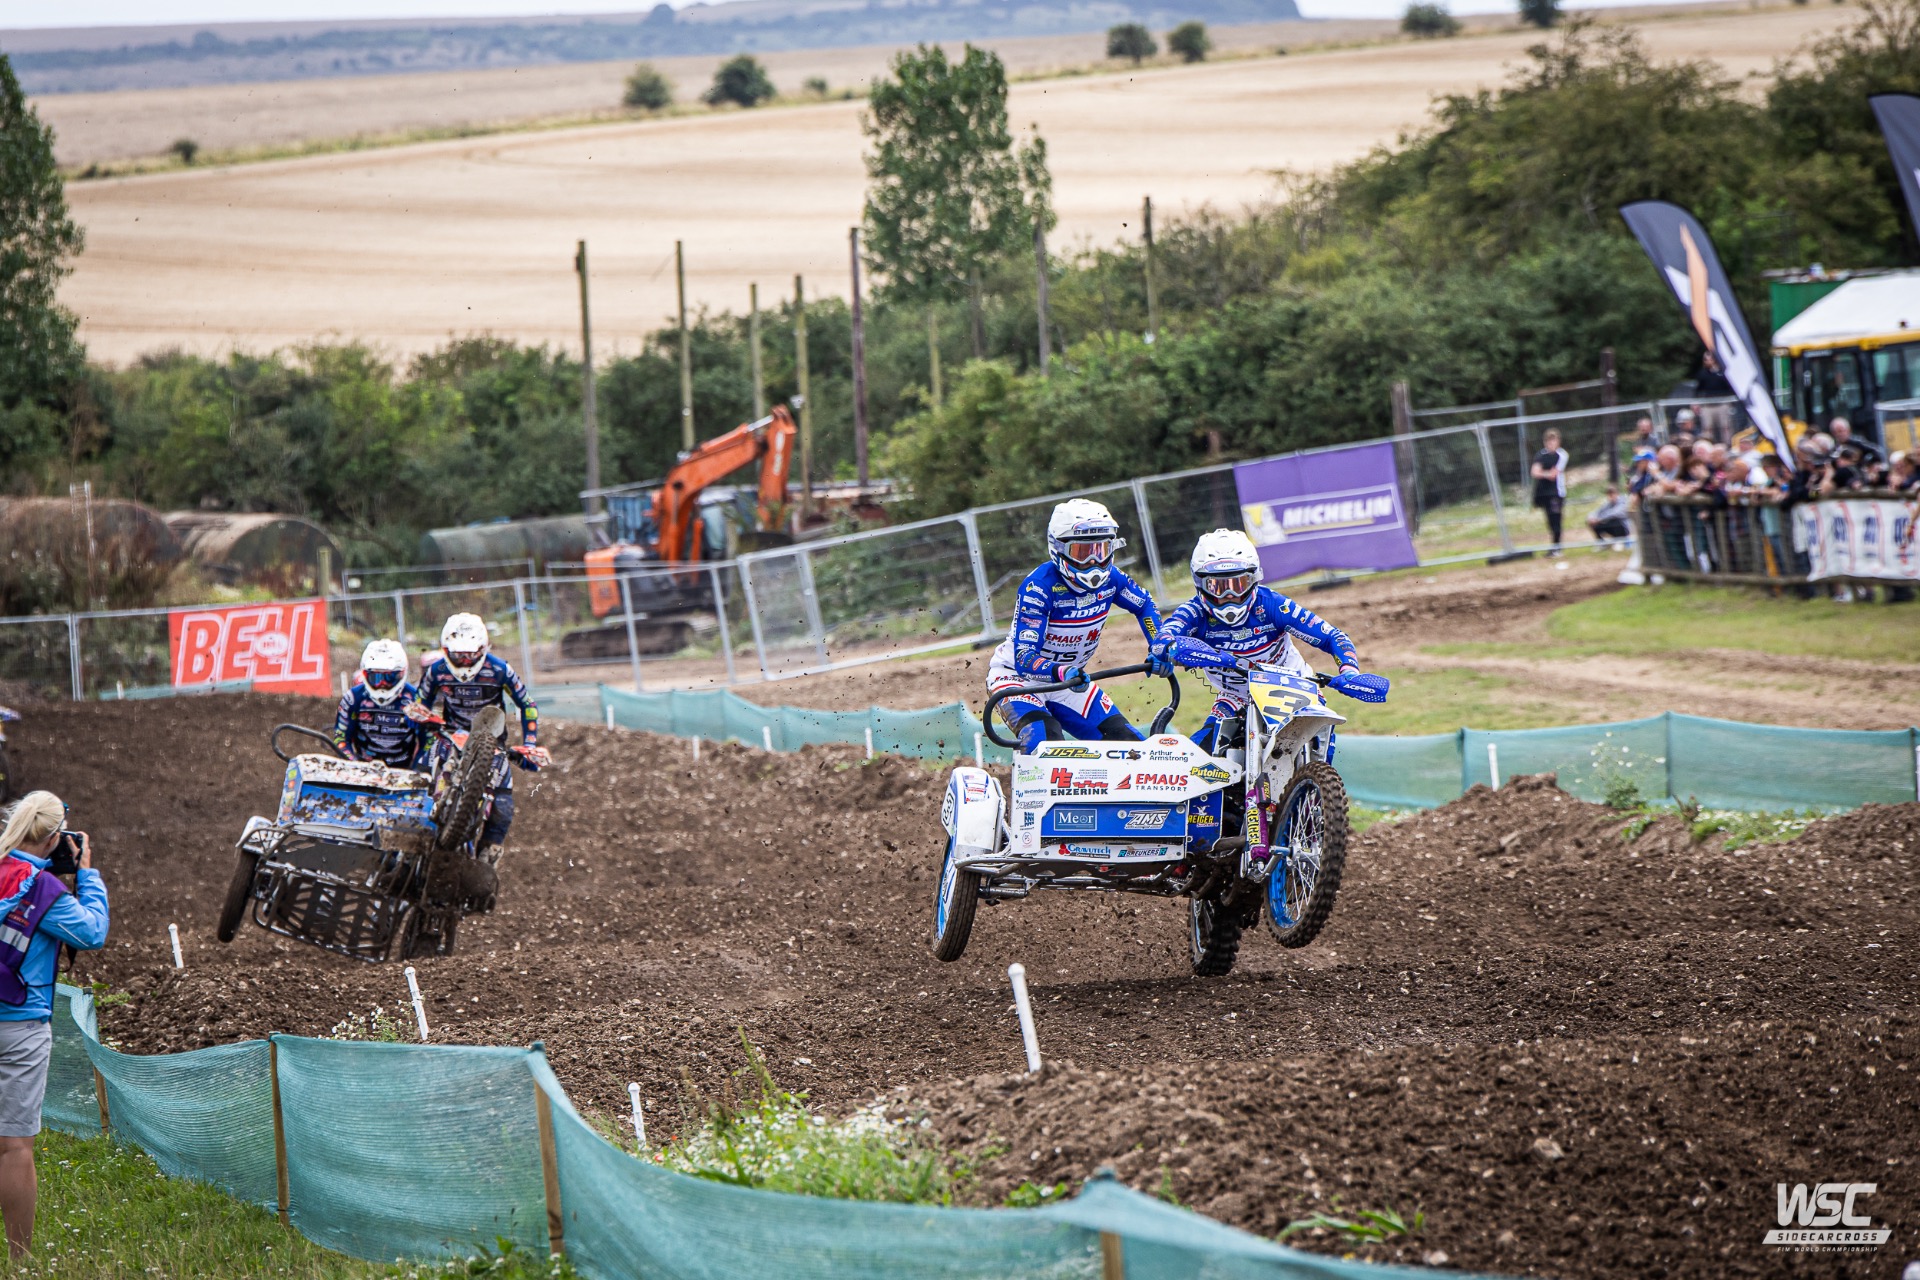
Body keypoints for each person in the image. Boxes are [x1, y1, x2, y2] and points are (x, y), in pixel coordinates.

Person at [0, 793, 108, 1260]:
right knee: (14, 1146)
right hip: (21, 1025)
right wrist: (87, 874)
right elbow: (93, 933)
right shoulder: (44, 892)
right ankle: (19, 1259)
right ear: (53, 839)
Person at [987, 499, 1170, 753]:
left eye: (1102, 550)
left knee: (1129, 746)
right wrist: (1062, 672)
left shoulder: (1113, 580)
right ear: (1058, 549)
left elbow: (1145, 604)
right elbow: (1024, 658)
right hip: (1018, 679)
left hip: (1069, 681)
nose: (1094, 562)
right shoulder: (1039, 587)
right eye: (1083, 553)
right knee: (1045, 739)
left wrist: (1158, 644)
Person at [1161, 529, 1360, 755]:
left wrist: (1349, 670)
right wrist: (1167, 651)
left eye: (1238, 584)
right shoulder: (1193, 612)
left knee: (1320, 747)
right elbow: (1165, 636)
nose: (1229, 596)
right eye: (1218, 587)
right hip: (1236, 696)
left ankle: (1316, 778)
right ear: (1199, 584)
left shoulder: (1274, 605)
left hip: (1295, 687)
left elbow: (1333, 636)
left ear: (1254, 579)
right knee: (1201, 753)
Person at [409, 614, 547, 859]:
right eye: (458, 655)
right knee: (417, 773)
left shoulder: (500, 669)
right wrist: (423, 718)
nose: (464, 662)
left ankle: (489, 850)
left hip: (491, 740)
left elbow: (527, 704)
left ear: (483, 649)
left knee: (503, 803)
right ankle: (405, 833)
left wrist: (529, 744)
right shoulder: (437, 670)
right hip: (450, 734)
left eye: (470, 655)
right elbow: (421, 702)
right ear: (445, 650)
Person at [332, 640, 428, 770]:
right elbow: (341, 738)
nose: (382, 685)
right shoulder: (353, 698)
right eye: (376, 678)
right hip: (363, 769)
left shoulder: (416, 699)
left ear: (401, 674)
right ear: (365, 674)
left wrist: (417, 771)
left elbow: (427, 742)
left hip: (403, 771)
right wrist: (354, 766)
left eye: (389, 678)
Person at [1530, 428, 1570, 553]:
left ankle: (1557, 548)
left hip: (1556, 493)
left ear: (1558, 441)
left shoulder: (1562, 455)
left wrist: (1543, 473)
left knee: (1556, 519)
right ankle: (1554, 546)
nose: (1551, 443)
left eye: (1553, 440)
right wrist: (1546, 473)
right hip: (1544, 493)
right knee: (1550, 521)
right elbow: (1534, 472)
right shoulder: (1541, 455)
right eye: (1549, 441)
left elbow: (1554, 474)